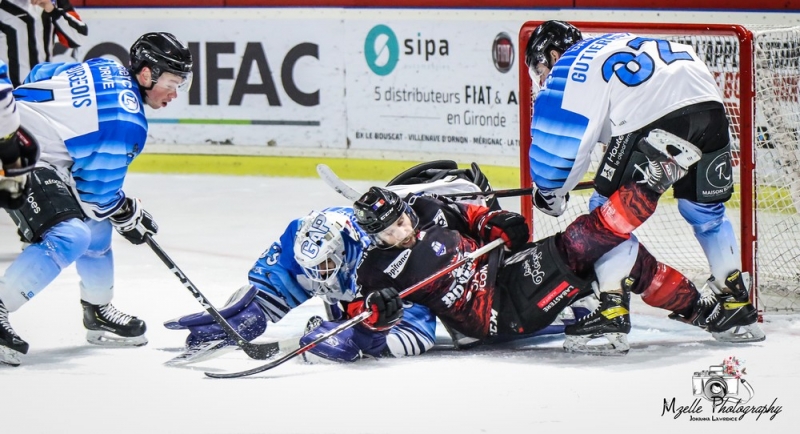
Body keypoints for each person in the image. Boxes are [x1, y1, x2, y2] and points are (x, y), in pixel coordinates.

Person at [351, 137, 760, 355]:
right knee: (581, 241)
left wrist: (500, 223)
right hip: (498, 314)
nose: (402, 231)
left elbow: (476, 218)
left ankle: (704, 313)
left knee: (622, 258)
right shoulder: (375, 270)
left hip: (508, 271)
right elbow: (361, 319)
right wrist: (377, 316)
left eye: (401, 220)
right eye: (390, 233)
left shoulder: (427, 208)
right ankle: (653, 181)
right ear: (375, 238)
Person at [523, 20, 763, 346]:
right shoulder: (611, 42)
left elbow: (558, 152)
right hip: (710, 108)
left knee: (605, 212)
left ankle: (611, 309)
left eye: (540, 68)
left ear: (553, 54)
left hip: (657, 114)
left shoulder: (567, 66)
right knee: (705, 212)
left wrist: (550, 195)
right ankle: (735, 301)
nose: (541, 77)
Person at [0, 32, 193, 367]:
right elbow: (97, 198)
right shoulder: (126, 123)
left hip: (22, 137)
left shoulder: (106, 65)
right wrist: (128, 213)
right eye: (172, 83)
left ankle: (98, 310)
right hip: (17, 153)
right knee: (71, 235)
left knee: (96, 227)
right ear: (146, 74)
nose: (175, 94)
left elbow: (39, 74)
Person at [165, 207, 439, 364]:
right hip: (347, 281)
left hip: (380, 291)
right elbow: (278, 279)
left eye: (325, 264)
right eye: (313, 266)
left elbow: (418, 328)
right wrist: (246, 314)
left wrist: (375, 326)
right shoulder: (299, 237)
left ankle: (354, 332)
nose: (317, 273)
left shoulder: (380, 249)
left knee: (393, 336)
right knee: (252, 317)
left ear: (341, 251)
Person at [0, 0, 89, 87]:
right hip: (7, 90)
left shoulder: (55, 3)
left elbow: (79, 38)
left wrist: (51, 10)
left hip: (42, 88)